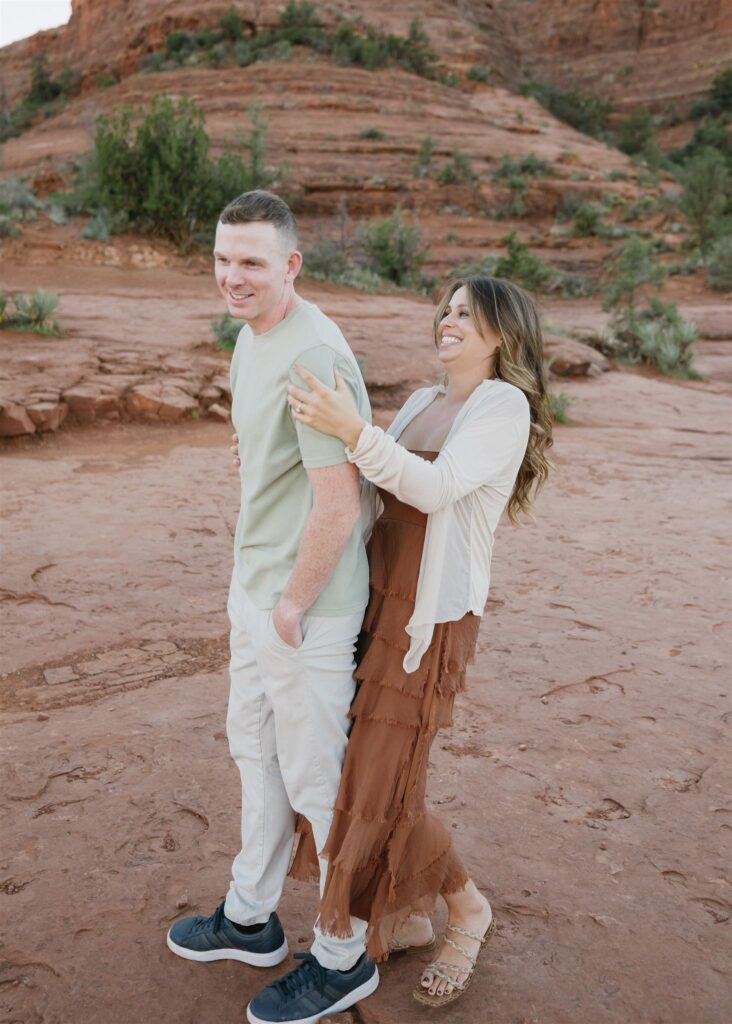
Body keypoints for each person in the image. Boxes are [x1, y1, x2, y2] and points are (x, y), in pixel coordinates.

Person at [283, 275, 553, 1009]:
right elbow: (376, 491)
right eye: (447, 309)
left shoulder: (504, 407)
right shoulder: (423, 402)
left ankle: (466, 908)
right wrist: (304, 470)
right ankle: (400, 911)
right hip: (372, 599)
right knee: (360, 769)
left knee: (383, 779)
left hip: (425, 620)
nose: (449, 319)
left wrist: (351, 429)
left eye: (468, 313)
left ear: (501, 332)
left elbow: (435, 490)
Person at [166, 190, 381, 1024]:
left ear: (292, 264)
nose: (233, 276)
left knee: (319, 779)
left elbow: (340, 503)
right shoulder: (252, 338)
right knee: (255, 752)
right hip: (255, 588)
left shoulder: (313, 354)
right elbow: (264, 453)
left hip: (306, 608)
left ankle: (341, 955)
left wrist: (292, 605)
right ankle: (250, 919)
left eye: (252, 261)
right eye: (223, 259)